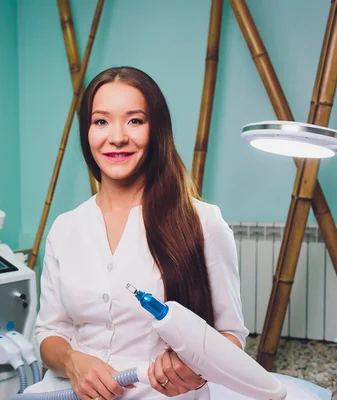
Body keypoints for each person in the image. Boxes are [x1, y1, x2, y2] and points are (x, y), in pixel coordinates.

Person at [24, 66, 248, 399]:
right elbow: (49, 333)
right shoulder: (65, 228)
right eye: (101, 121)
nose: (116, 137)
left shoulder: (202, 223)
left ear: (156, 130)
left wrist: (195, 369)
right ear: (87, 132)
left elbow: (231, 336)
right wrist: (72, 362)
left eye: (135, 120)